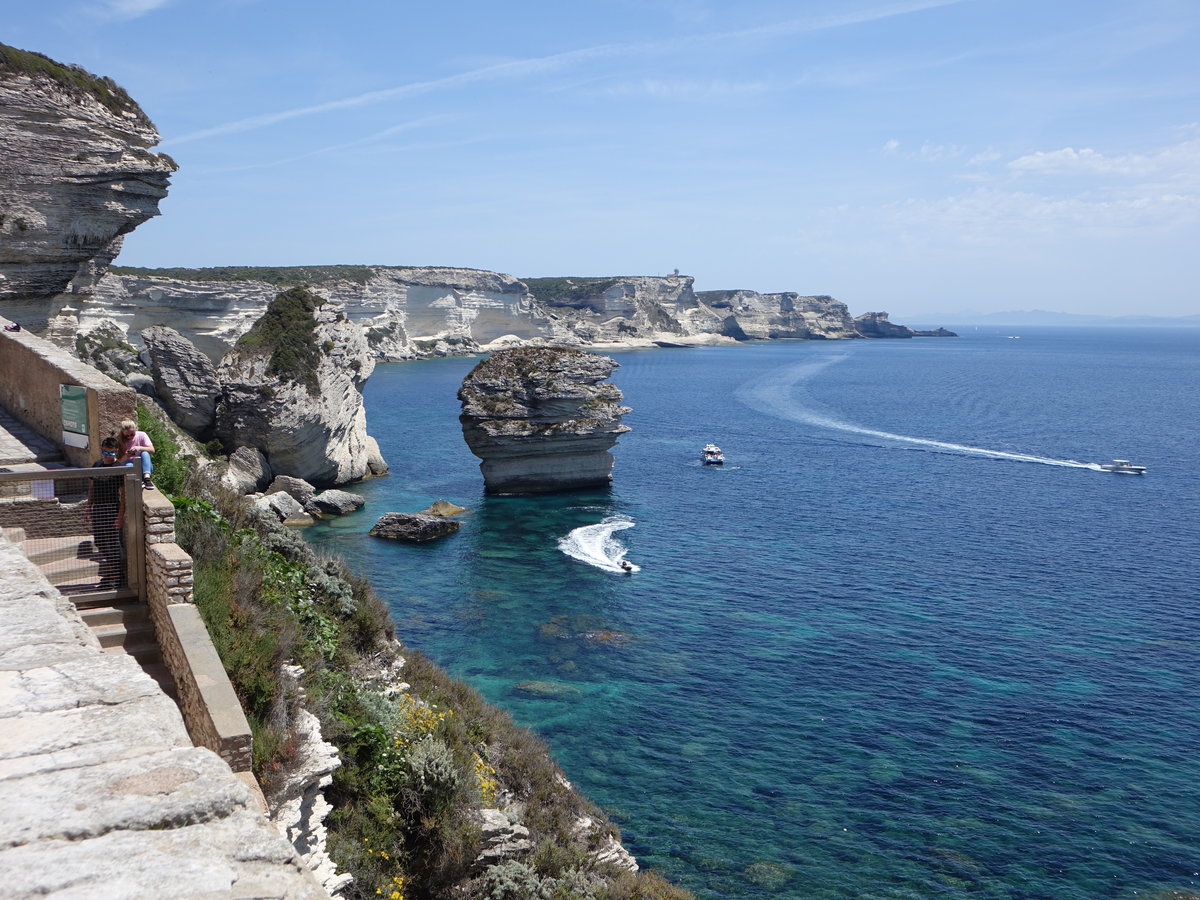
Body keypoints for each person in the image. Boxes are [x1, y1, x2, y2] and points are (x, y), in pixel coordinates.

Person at [87, 437, 126, 590]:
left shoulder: (119, 468)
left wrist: (120, 516)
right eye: (104, 452)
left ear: (116, 451)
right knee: (100, 542)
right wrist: (88, 507)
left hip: (112, 509)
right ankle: (112, 572)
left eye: (110, 452)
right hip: (98, 508)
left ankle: (116, 576)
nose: (106, 455)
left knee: (113, 544)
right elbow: (92, 487)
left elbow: (123, 496)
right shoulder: (97, 465)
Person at [117, 418, 155, 489]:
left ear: (135, 430)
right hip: (129, 467)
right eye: (127, 436)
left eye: (132, 434)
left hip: (143, 467)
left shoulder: (142, 435)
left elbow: (152, 450)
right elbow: (118, 462)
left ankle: (147, 479)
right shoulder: (120, 441)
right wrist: (126, 456)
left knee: (145, 453)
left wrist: (139, 448)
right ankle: (135, 483)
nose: (129, 437)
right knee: (129, 465)